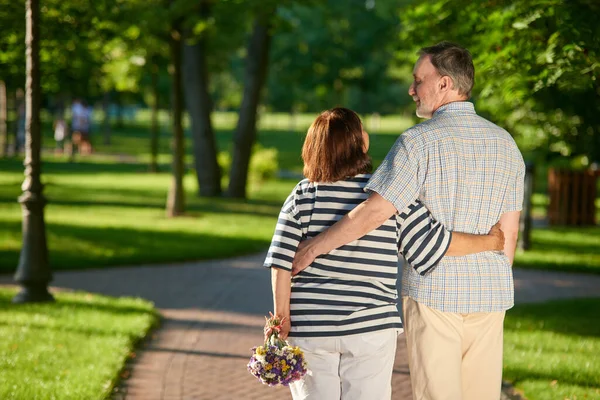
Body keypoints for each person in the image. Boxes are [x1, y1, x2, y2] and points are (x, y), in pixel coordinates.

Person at [292, 43, 526, 400]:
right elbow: (508, 232)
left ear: (445, 84)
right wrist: (492, 275)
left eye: (419, 80)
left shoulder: (417, 143)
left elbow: (373, 212)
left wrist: (313, 247)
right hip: (491, 296)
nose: (411, 89)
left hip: (435, 294)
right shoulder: (506, 143)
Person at [265, 107, 506, 400]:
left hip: (311, 325)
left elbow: (280, 262)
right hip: (371, 327)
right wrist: (490, 242)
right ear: (361, 143)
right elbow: (436, 243)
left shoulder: (303, 196)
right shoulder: (388, 198)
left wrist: (282, 318)